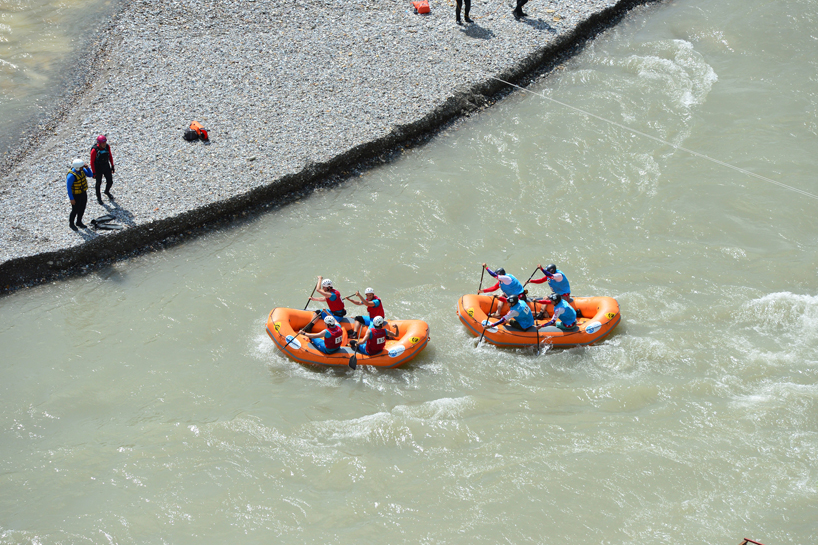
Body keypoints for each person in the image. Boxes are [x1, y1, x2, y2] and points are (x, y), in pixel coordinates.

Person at [66, 158, 93, 231]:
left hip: (83, 193)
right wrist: (71, 199)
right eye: (82, 166)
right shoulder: (71, 176)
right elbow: (68, 188)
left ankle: (79, 222)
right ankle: (71, 224)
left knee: (82, 208)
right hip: (76, 195)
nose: (83, 167)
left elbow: (90, 175)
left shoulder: (82, 170)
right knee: (75, 210)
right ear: (78, 167)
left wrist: (87, 168)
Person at [90, 135, 115, 205]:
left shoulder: (107, 147)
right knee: (98, 183)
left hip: (106, 166)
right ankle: (99, 198)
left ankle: (107, 191)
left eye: (105, 142)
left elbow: (110, 156)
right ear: (99, 143)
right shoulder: (94, 150)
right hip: (98, 168)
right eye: (103, 143)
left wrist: (112, 166)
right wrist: (94, 172)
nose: (104, 144)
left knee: (110, 181)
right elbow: (92, 162)